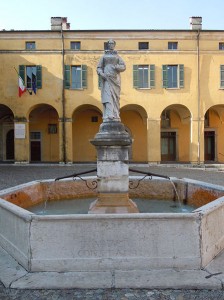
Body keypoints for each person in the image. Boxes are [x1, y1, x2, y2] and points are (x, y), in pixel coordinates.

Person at [97, 40, 126, 122]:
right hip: (106, 78)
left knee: (115, 97)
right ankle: (109, 114)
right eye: (109, 43)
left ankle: (115, 114)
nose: (111, 45)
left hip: (115, 78)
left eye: (112, 43)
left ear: (114, 45)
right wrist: (101, 74)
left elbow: (123, 66)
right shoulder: (103, 56)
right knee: (107, 95)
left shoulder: (117, 56)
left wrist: (117, 67)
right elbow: (99, 67)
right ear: (108, 45)